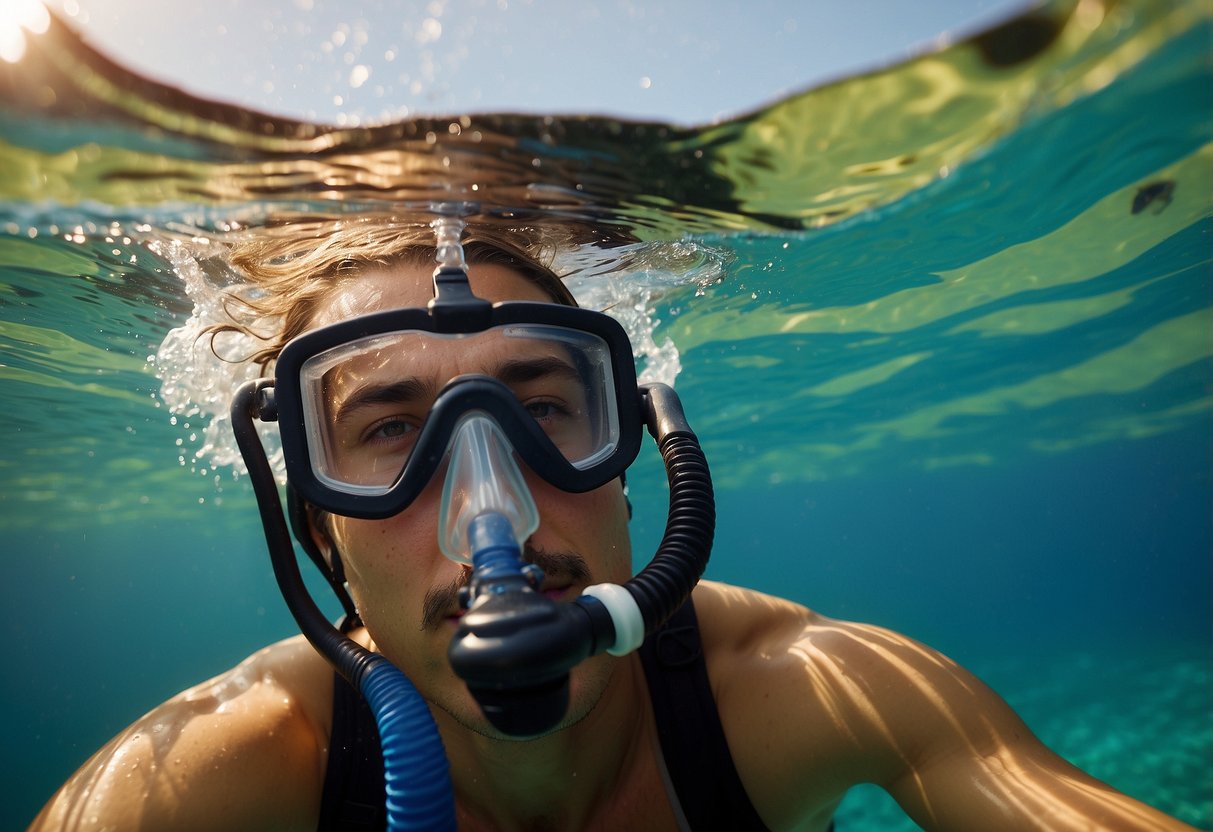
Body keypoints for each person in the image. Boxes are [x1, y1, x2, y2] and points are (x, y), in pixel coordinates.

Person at [31, 220, 1196, 832]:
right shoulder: (204, 777)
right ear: (320, 530)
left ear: (637, 461)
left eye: (544, 409)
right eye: (388, 430)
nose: (497, 506)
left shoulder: (812, 688)